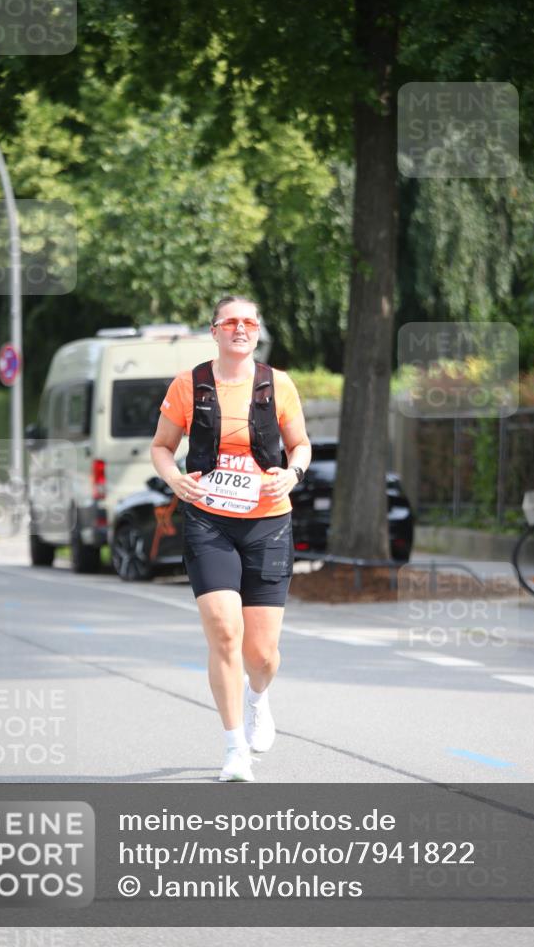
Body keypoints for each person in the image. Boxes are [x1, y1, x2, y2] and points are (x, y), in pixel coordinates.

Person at [151, 296, 311, 781]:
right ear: (215, 331)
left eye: (248, 322)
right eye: (230, 322)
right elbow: (161, 447)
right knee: (224, 631)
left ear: (256, 331)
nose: (240, 329)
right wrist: (173, 479)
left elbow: (300, 444)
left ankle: (259, 698)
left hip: (268, 523)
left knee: (261, 654)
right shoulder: (189, 385)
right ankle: (233, 747)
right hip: (209, 522)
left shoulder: (277, 384)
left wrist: (293, 472)